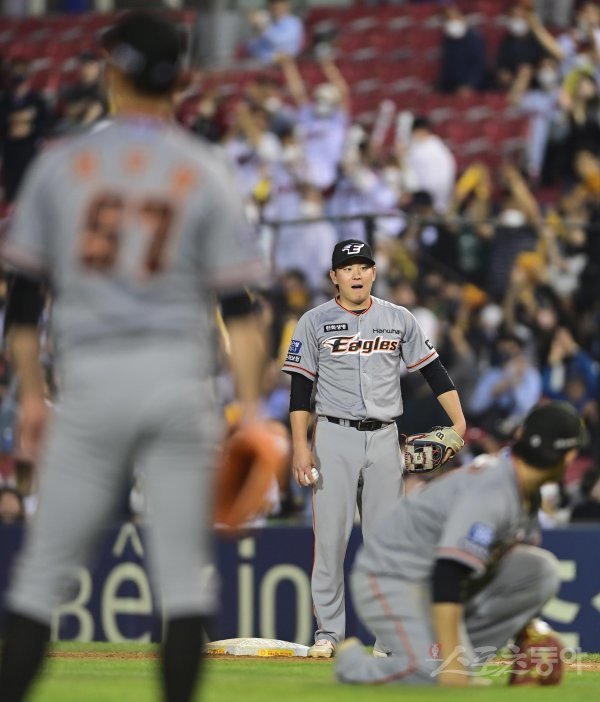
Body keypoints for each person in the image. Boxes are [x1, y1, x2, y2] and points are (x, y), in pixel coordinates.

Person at [0, 11, 268, 702]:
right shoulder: (206, 168)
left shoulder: (59, 164)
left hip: (89, 380)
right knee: (185, 584)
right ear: (183, 80)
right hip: (181, 382)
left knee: (39, 581)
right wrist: (252, 410)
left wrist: (30, 396)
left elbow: (22, 306)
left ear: (112, 73)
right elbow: (240, 312)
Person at [282, 239, 466, 658]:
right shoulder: (313, 321)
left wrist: (459, 422)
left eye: (363, 266)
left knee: (387, 544)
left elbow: (433, 371)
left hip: (386, 437)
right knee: (330, 542)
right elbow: (300, 390)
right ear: (334, 276)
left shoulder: (398, 318)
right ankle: (328, 634)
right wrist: (299, 447)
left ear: (374, 273)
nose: (357, 274)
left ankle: (389, 640)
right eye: (348, 268)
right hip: (333, 436)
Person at [335, 401, 587, 686]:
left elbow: (501, 568)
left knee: (539, 570)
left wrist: (530, 629)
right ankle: (353, 664)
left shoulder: (524, 491)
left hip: (431, 575)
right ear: (569, 457)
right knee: (433, 674)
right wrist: (450, 664)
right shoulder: (494, 491)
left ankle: (456, 662)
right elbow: (449, 572)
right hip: (391, 574)